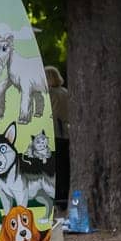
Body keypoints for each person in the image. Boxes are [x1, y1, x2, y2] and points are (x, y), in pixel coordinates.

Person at [47, 66, 71, 202]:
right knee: (65, 167)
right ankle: (64, 196)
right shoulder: (65, 92)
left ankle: (57, 198)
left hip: (53, 133)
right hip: (66, 133)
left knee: (55, 168)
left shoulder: (49, 93)